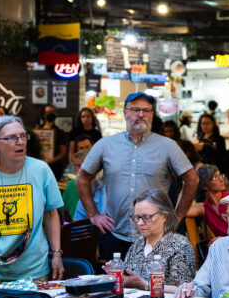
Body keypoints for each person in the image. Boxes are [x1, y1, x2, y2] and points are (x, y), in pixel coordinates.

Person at [77, 92, 199, 261]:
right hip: (116, 235)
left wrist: (177, 217)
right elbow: (82, 178)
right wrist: (94, 215)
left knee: (155, 278)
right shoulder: (105, 145)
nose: (141, 114)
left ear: (152, 115)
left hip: (157, 237)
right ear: (125, 113)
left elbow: (192, 179)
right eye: (135, 109)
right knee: (116, 278)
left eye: (146, 110)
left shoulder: (168, 146)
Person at [0, 116, 64, 284]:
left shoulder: (41, 170)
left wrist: (57, 254)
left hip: (33, 270)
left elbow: (51, 214)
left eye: (23, 136)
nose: (20, 142)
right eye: (11, 138)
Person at [103, 189, 195, 292]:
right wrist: (120, 276)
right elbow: (130, 280)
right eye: (137, 217)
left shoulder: (179, 245)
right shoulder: (137, 243)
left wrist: (145, 285)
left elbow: (184, 290)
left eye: (147, 217)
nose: (140, 223)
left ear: (165, 216)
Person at [187, 165, 229, 239]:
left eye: (221, 176)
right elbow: (180, 212)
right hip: (223, 245)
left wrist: (222, 240)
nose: (222, 180)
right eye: (215, 177)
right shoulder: (204, 208)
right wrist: (189, 181)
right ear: (205, 186)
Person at [34, 104, 68, 180]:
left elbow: (63, 152)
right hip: (39, 166)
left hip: (54, 168)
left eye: (53, 112)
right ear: (43, 114)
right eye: (48, 112)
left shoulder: (60, 132)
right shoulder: (37, 130)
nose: (51, 114)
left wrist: (51, 160)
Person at [61, 149, 89, 219]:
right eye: (75, 165)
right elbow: (65, 211)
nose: (76, 169)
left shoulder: (100, 186)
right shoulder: (71, 185)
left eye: (80, 165)